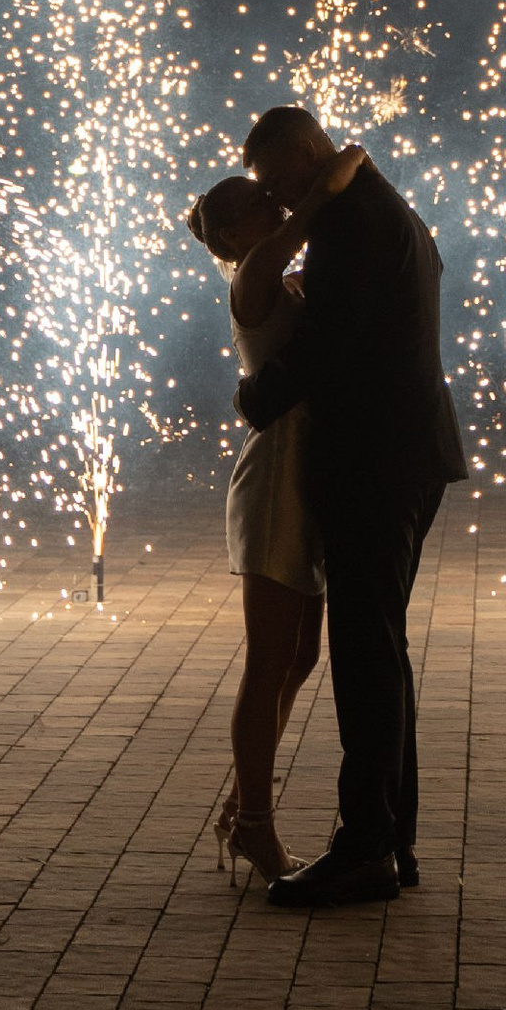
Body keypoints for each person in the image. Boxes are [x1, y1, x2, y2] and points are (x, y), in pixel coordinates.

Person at [233, 103, 464, 909]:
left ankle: (366, 845)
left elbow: (325, 348)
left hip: (376, 463)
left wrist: (253, 398)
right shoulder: (373, 203)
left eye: (274, 177)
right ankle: (389, 838)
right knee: (380, 651)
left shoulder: (349, 222)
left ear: (302, 153)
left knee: (367, 658)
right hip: (405, 456)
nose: (276, 194)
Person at [185, 143, 358, 881]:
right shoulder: (255, 272)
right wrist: (337, 173)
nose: (272, 205)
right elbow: (307, 222)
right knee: (268, 661)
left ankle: (242, 801)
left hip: (302, 474)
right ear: (232, 236)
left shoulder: (272, 273)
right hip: (277, 481)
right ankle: (254, 822)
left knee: (302, 655)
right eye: (256, 204)